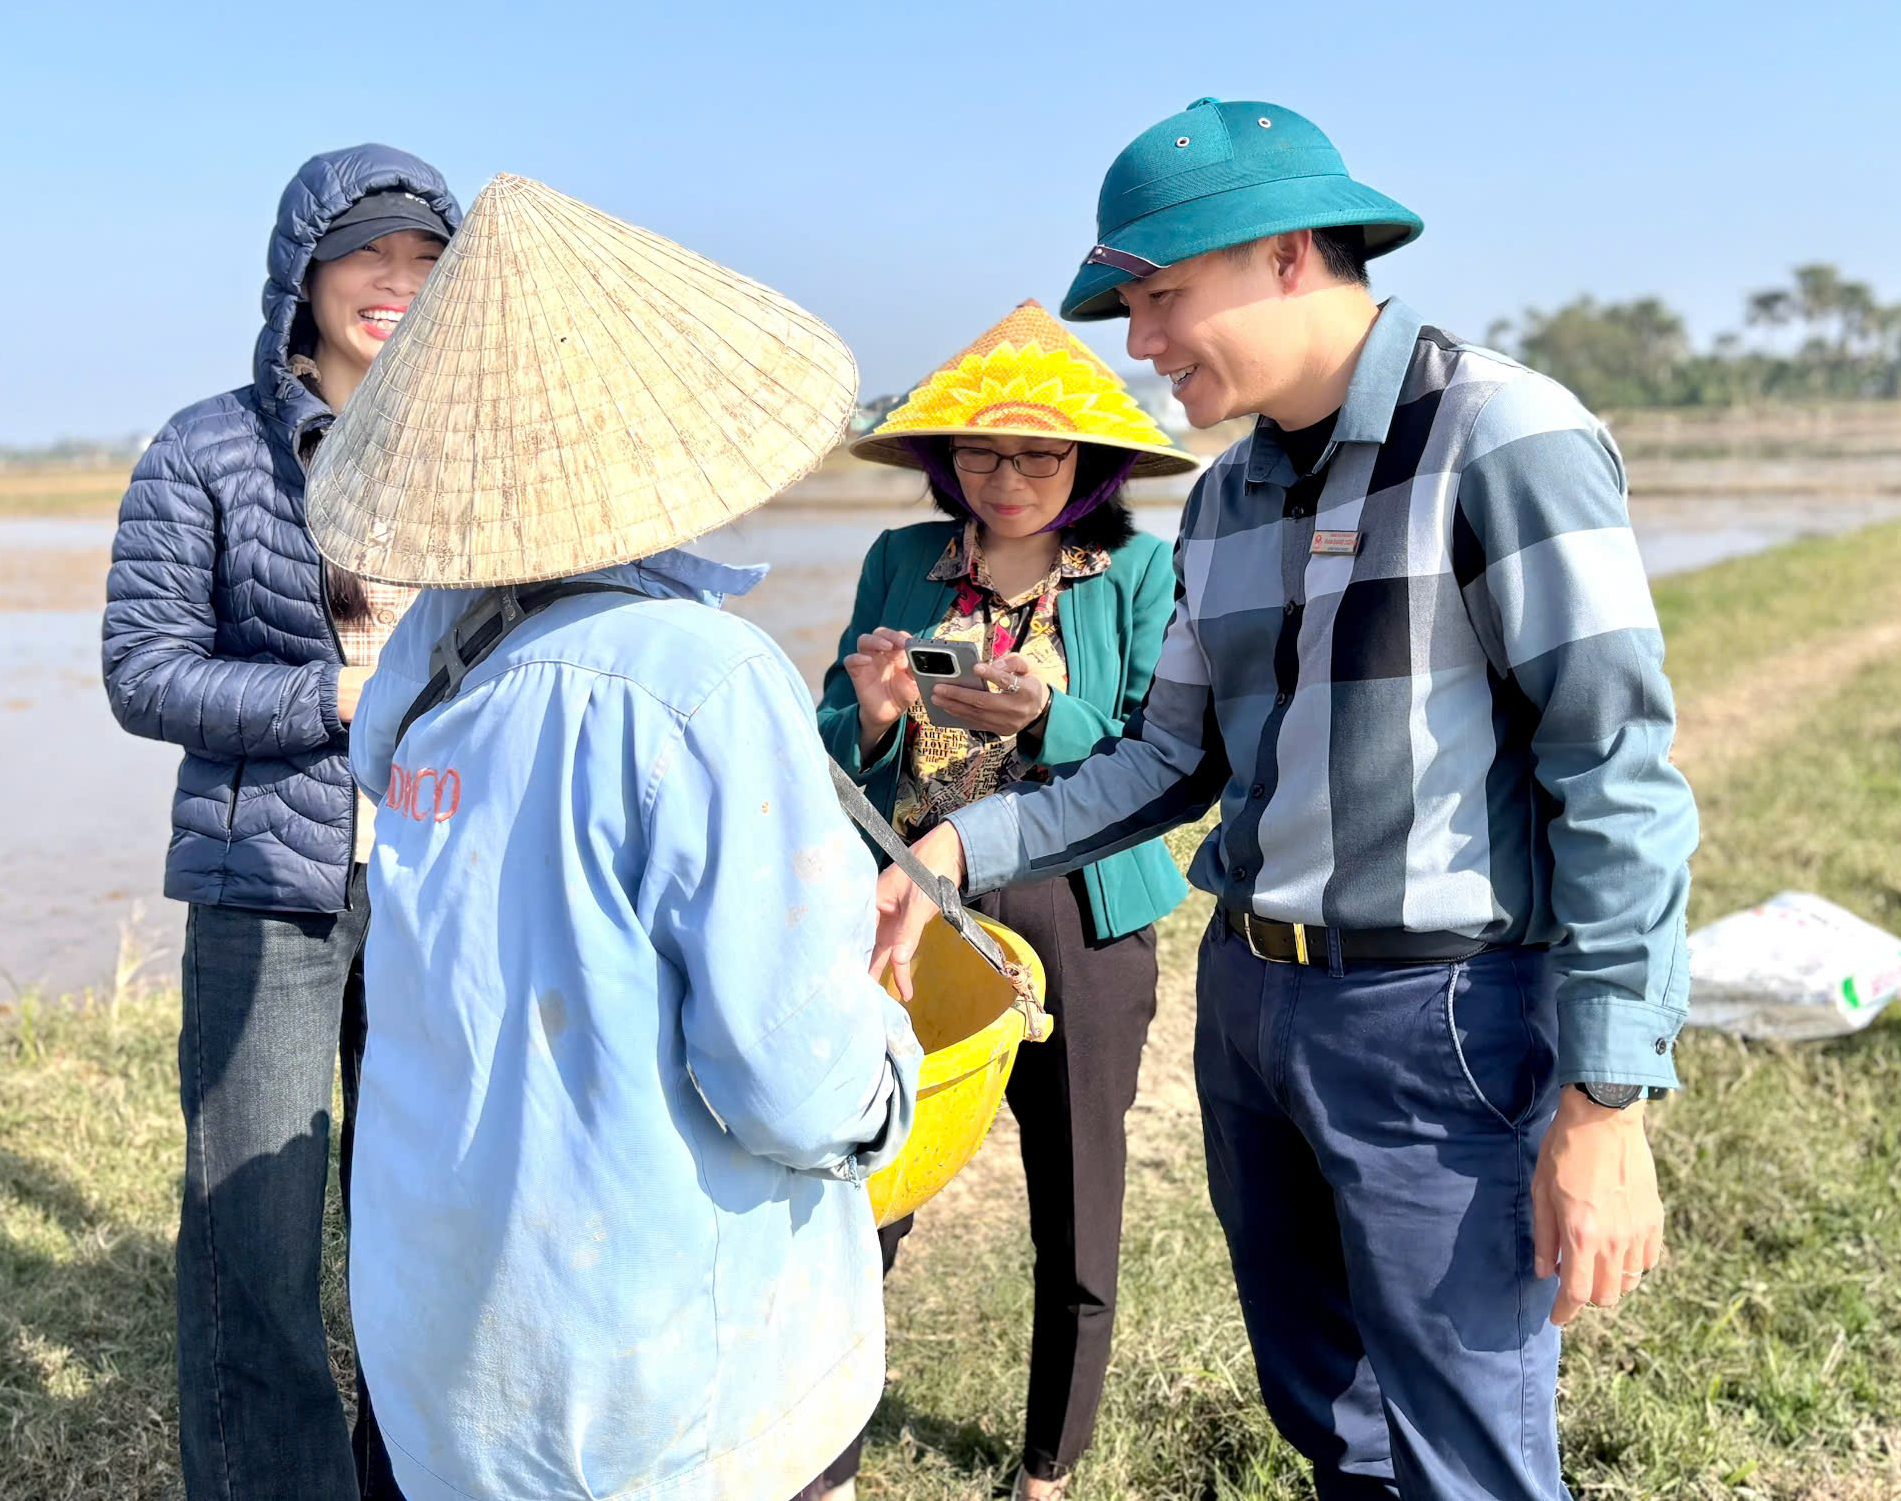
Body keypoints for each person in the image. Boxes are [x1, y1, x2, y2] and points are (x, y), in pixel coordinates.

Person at [871, 99, 1698, 1501]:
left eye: (1161, 298)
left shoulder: (1500, 438)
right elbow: (1168, 761)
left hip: (1440, 1013)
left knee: (1465, 1446)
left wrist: (1607, 1100)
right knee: (1327, 1413)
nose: (1141, 344)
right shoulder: (1227, 499)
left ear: (1289, 254)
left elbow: (1614, 772)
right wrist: (956, 840)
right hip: (1253, 1002)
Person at [306, 172, 922, 1501]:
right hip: (663, 1407)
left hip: (452, 1372)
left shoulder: (428, 659)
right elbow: (789, 1078)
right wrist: (885, 1067)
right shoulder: (701, 678)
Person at [103, 144, 461, 1501]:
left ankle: (408, 1476)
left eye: (427, 258)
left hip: (443, 880)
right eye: (368, 251)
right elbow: (142, 669)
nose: (396, 280)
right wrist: (333, 697)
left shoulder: (469, 452)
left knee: (422, 1216)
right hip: (268, 882)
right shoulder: (205, 448)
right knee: (251, 1237)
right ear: (302, 271)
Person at [807, 301, 1199, 1501]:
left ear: (1090, 466)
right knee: (866, 1182)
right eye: (980, 456)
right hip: (912, 902)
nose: (1008, 480)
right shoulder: (899, 561)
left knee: (1076, 1194)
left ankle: (1047, 1468)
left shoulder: (1139, 572)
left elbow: (1159, 749)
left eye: (1037, 456)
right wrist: (874, 712)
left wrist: (1044, 719)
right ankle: (822, 1446)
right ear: (943, 463)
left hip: (1078, 909)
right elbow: (834, 745)